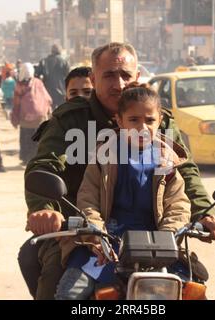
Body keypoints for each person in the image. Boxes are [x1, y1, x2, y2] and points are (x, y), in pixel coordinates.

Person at [19, 43, 215, 300]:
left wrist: (206, 213)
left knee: (194, 288)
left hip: (155, 236)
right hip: (83, 231)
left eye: (125, 75)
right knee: (57, 288)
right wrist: (46, 209)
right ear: (93, 78)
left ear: (137, 76)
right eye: (108, 75)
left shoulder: (157, 119)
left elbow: (185, 175)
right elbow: (44, 167)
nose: (118, 84)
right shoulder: (71, 120)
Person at [55, 83, 192, 300]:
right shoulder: (104, 157)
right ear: (120, 121)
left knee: (192, 290)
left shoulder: (167, 160)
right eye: (133, 120)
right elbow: (87, 199)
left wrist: (167, 237)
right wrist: (97, 236)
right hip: (108, 243)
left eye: (149, 120)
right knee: (69, 294)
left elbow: (178, 204)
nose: (143, 127)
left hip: (157, 245)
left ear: (160, 122)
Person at [11, 63, 52, 166]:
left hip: (25, 119)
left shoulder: (20, 85)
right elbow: (47, 98)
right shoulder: (38, 82)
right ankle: (35, 158)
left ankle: (26, 159)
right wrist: (48, 112)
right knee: (37, 139)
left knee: (25, 138)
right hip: (39, 118)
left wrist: (15, 118)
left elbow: (16, 104)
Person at [42, 45, 70, 109]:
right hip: (62, 91)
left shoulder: (45, 61)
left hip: (48, 91)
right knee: (62, 111)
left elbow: (37, 74)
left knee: (50, 111)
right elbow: (68, 76)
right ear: (59, 51)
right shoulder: (64, 61)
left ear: (51, 51)